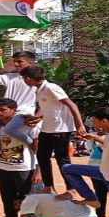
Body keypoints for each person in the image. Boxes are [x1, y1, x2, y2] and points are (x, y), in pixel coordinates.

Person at [20, 65, 87, 193]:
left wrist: (80, 125)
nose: (24, 81)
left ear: (28, 78)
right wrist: (37, 118)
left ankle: (71, 188)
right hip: (47, 128)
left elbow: (72, 105)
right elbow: (49, 108)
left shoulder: (51, 87)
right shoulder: (39, 90)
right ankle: (49, 186)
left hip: (60, 129)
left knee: (62, 159)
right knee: (42, 156)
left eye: (23, 78)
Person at [0, 98, 40, 217]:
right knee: (8, 203)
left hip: (24, 169)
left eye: (2, 110)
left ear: (14, 111)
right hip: (3, 169)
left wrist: (38, 171)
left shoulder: (29, 126)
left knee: (28, 202)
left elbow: (39, 150)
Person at [0, 49, 38, 146]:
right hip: (5, 112)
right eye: (14, 61)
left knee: (9, 130)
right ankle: (3, 146)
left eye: (19, 61)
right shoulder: (10, 76)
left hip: (22, 113)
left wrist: (37, 117)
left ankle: (30, 143)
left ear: (30, 63)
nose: (16, 64)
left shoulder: (38, 80)